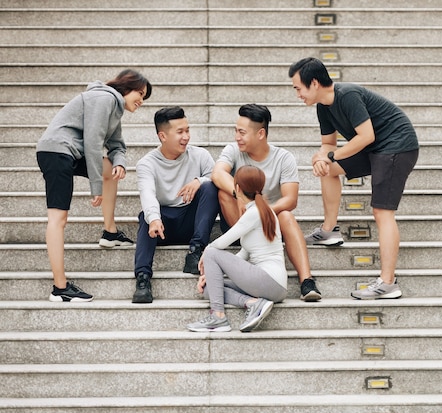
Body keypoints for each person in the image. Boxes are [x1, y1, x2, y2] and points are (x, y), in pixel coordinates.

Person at [288, 57, 419, 300]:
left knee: (382, 211)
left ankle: (388, 283)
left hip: (397, 146)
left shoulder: (346, 95)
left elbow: (366, 135)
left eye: (298, 88)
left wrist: (328, 155)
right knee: (329, 168)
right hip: (375, 148)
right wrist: (321, 158)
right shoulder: (323, 106)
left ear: (314, 83)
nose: (297, 94)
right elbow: (328, 144)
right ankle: (329, 230)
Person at [36, 69, 152, 302]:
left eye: (144, 97)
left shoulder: (114, 108)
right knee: (58, 219)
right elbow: (92, 141)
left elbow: (117, 145)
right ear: (125, 88)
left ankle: (110, 232)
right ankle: (60, 288)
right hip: (56, 152)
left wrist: (119, 163)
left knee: (110, 167)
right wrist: (96, 187)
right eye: (139, 93)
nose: (141, 100)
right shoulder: (105, 98)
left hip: (67, 152)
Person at [211, 103, 322, 302]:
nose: (237, 137)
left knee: (286, 215)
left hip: (268, 230)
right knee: (223, 192)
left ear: (260, 134)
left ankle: (307, 281)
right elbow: (218, 173)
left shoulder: (283, 158)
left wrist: (261, 211)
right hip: (238, 222)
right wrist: (241, 198)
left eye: (242, 132)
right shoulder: (233, 150)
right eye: (236, 131)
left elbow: (290, 199)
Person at [133, 106, 220, 303]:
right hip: (164, 226)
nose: (186, 137)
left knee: (210, 186)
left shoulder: (200, 155)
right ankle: (143, 279)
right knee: (146, 217)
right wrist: (154, 218)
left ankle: (196, 251)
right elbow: (147, 193)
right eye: (180, 132)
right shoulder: (147, 163)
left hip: (192, 221)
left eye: (187, 130)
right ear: (163, 136)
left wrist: (199, 181)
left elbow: (218, 177)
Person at [187, 165, 287, 332]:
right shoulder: (262, 211)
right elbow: (244, 254)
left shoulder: (254, 213)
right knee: (209, 288)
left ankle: (217, 317)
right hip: (272, 286)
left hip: (268, 280)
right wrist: (212, 274)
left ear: (237, 188)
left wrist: (206, 255)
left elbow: (220, 244)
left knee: (211, 251)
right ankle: (252, 303)